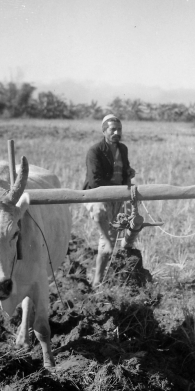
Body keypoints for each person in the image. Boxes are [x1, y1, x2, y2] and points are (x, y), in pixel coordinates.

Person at [83, 114, 138, 285]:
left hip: (117, 196)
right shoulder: (95, 151)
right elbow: (94, 181)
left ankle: (98, 279)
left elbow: (125, 168)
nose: (116, 132)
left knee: (112, 239)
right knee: (100, 215)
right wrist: (116, 188)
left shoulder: (123, 149)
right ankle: (106, 243)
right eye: (112, 129)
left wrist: (129, 172)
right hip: (97, 194)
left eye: (119, 129)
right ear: (104, 131)